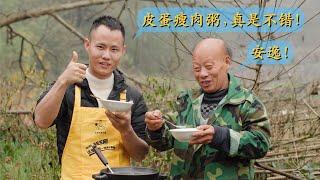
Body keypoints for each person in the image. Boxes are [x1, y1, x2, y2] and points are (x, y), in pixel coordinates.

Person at [34, 15, 149, 179]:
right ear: (87, 45)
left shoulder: (132, 96)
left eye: (114, 49)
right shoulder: (68, 88)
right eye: (100, 47)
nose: (106, 56)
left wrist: (126, 130)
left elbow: (140, 155)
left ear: (123, 51)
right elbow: (41, 121)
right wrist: (62, 81)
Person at [145, 38, 271, 179]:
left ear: (227, 62)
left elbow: (261, 143)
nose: (202, 74)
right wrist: (155, 127)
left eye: (209, 67)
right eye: (197, 69)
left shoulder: (247, 102)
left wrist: (220, 136)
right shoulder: (186, 100)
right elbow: (165, 140)